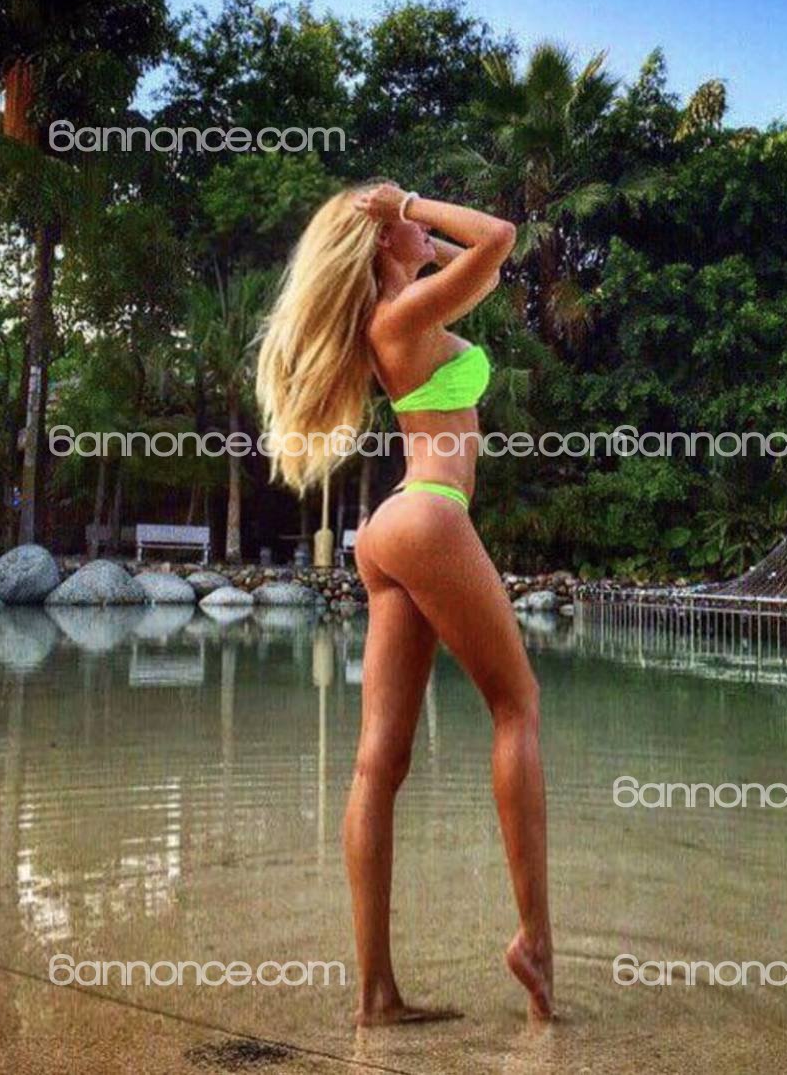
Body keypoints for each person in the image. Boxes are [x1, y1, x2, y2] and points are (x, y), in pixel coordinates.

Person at [256, 182, 554, 1026]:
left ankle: (377, 995)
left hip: (392, 527)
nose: (423, 228)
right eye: (409, 228)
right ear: (385, 245)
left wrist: (405, 231)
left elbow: (483, 266)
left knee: (377, 765)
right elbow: (500, 237)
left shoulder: (404, 312)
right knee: (517, 708)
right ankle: (535, 939)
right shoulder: (401, 317)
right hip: (429, 514)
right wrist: (410, 201)